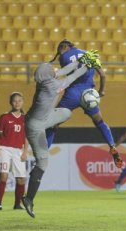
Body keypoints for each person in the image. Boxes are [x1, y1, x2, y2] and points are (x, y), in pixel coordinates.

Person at [22, 52, 103, 218]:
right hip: (35, 127)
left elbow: (64, 70)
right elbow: (71, 78)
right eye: (50, 69)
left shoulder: (46, 80)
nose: (53, 69)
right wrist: (87, 65)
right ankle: (29, 199)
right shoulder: (51, 86)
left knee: (66, 113)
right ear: (47, 74)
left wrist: (81, 60)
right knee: (43, 163)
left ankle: (51, 129)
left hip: (41, 118)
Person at [46, 39, 121, 165]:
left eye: (60, 50)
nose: (59, 53)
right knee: (100, 121)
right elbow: (103, 75)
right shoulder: (88, 54)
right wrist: (101, 91)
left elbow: (68, 73)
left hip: (72, 94)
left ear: (65, 47)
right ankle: (112, 146)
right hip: (89, 94)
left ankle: (44, 152)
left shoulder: (63, 57)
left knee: (54, 124)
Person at [0, 92, 28, 210]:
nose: (17, 103)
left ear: (22, 102)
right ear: (11, 103)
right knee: (3, 175)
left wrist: (25, 152)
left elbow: (26, 137)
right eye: (14, 101)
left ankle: (17, 204)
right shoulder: (4, 117)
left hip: (19, 150)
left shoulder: (25, 119)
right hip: (5, 149)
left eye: (19, 100)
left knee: (21, 178)